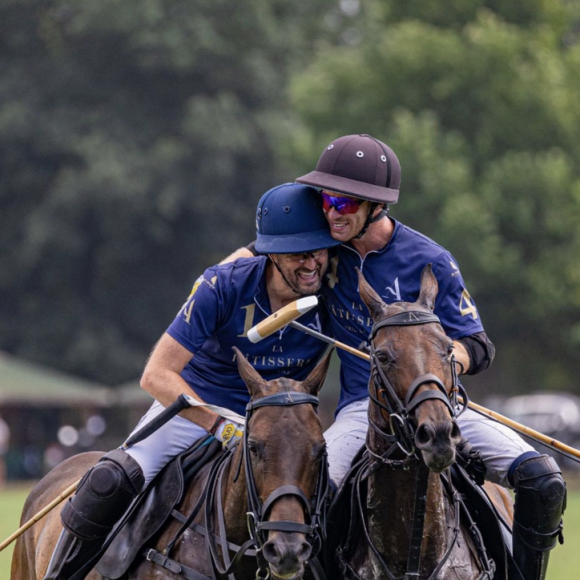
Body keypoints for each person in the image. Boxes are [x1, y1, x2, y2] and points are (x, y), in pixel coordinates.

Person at [293, 134, 566, 580]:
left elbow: (477, 345)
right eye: (325, 200)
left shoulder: (430, 258)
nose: (330, 212)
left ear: (374, 206)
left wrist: (436, 365)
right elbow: (258, 260)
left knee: (544, 480)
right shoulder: (317, 254)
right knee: (309, 498)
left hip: (436, 401)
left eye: (343, 204)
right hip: (364, 411)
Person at [43, 182, 340, 580]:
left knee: (336, 498)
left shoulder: (332, 290)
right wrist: (219, 426)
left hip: (281, 425)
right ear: (270, 252)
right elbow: (156, 375)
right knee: (110, 479)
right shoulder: (223, 285)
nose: (311, 263)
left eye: (318, 250)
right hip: (199, 405)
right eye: (298, 253)